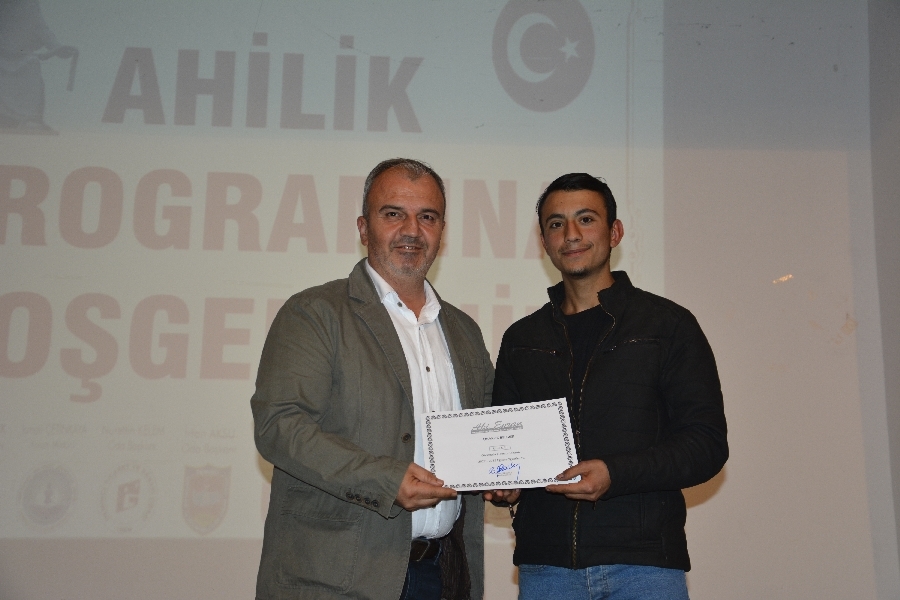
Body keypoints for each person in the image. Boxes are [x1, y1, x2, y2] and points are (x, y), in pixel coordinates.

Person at [252, 158, 493, 600]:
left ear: (442, 231)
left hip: (442, 575)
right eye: (393, 214)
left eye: (427, 217)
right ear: (364, 228)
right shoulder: (315, 314)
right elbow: (280, 426)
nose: (411, 231)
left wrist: (507, 473)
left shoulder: (464, 332)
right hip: (337, 579)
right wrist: (384, 479)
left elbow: (487, 433)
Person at [484, 173, 728, 599]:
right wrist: (504, 481)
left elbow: (706, 445)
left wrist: (615, 474)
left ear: (614, 232)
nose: (571, 235)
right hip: (547, 568)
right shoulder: (521, 338)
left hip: (644, 567)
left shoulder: (668, 325)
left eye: (586, 219)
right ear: (544, 241)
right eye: (556, 223)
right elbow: (505, 447)